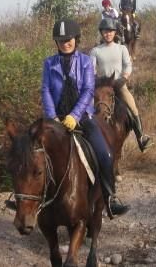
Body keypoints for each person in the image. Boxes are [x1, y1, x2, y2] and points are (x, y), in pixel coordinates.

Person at [41, 19, 129, 218]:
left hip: (82, 117)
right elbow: (46, 90)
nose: (66, 43)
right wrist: (52, 116)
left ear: (76, 40)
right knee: (30, 152)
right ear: (57, 42)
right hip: (55, 119)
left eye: (69, 39)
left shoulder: (85, 62)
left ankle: (109, 198)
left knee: (105, 155)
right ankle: (26, 200)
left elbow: (89, 90)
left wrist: (74, 115)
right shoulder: (49, 64)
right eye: (61, 40)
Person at [90, 18, 151, 152]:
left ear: (115, 32)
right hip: (103, 87)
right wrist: (95, 79)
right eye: (105, 32)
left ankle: (141, 137)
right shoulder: (95, 51)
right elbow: (91, 69)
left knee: (132, 107)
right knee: (90, 107)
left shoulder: (122, 48)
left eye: (110, 31)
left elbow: (128, 65)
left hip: (118, 84)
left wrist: (124, 77)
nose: (108, 34)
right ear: (101, 33)